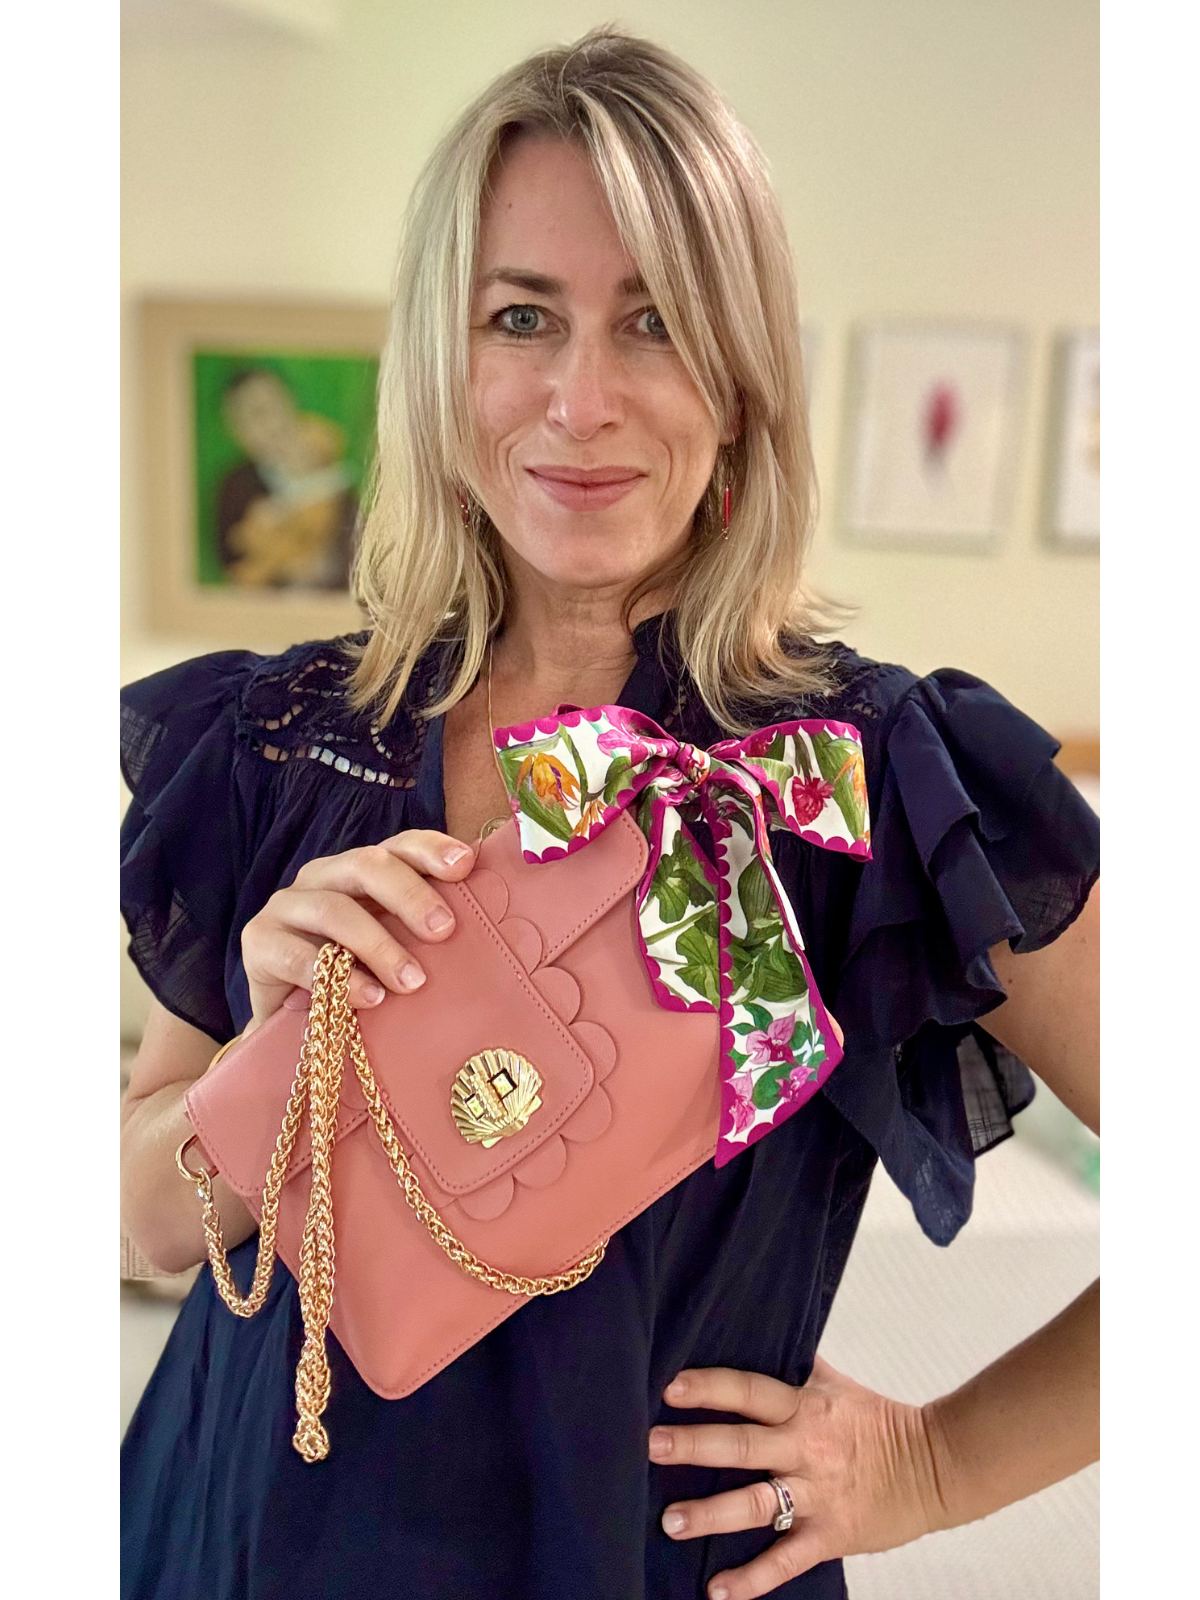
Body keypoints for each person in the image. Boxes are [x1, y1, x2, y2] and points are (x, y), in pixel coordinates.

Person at [119, 27, 1099, 1600]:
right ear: (449, 360)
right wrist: (264, 1069)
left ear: (741, 375)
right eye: (525, 317)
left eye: (654, 323)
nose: (581, 399)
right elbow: (141, 1220)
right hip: (239, 1535)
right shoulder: (274, 742)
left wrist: (935, 1465)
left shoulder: (866, 778)